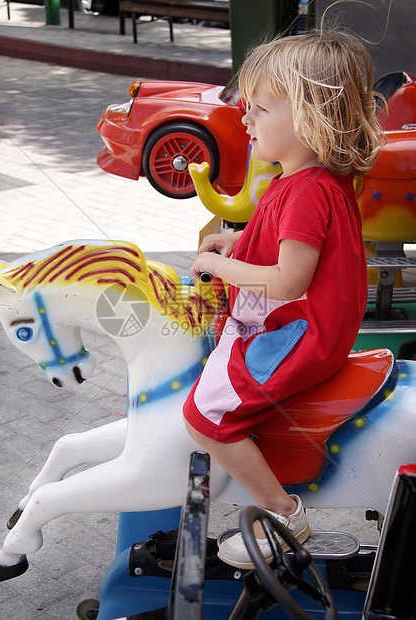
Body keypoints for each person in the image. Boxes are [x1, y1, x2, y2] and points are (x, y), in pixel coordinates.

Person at [183, 30, 384, 569]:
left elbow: (291, 280)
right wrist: (237, 242)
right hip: (297, 318)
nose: (245, 119)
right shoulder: (300, 181)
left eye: (259, 108)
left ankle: (283, 514)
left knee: (207, 417)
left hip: (299, 330)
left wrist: (219, 265)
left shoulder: (309, 190)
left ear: (311, 118)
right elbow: (282, 247)